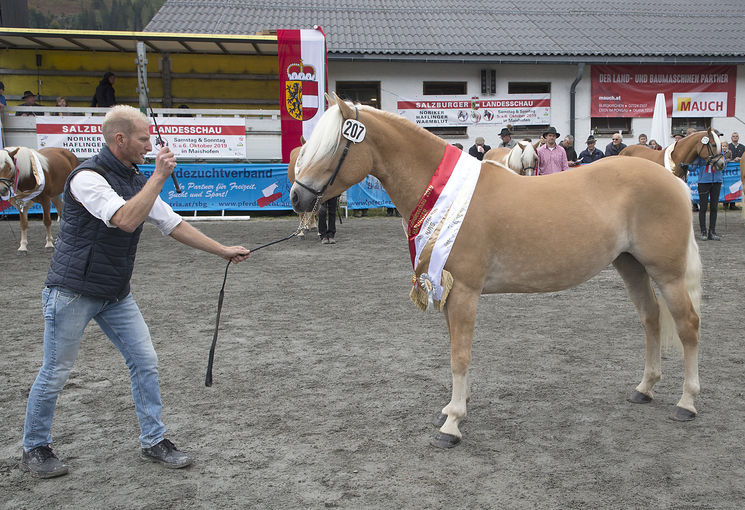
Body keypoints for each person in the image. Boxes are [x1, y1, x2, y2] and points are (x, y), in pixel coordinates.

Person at [20, 105, 250, 478]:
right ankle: (35, 447)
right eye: (144, 138)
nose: (150, 144)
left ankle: (154, 441)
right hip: (72, 291)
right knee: (56, 372)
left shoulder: (131, 177)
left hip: (115, 292)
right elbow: (125, 220)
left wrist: (222, 250)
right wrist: (158, 177)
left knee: (145, 362)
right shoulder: (86, 178)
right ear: (120, 139)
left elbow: (170, 223)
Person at [694, 154, 723, 241]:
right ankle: (703, 231)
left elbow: (723, 164)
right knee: (703, 207)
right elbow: (692, 167)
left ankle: (712, 231)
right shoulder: (701, 153)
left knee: (714, 207)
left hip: (717, 181)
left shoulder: (719, 151)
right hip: (704, 182)